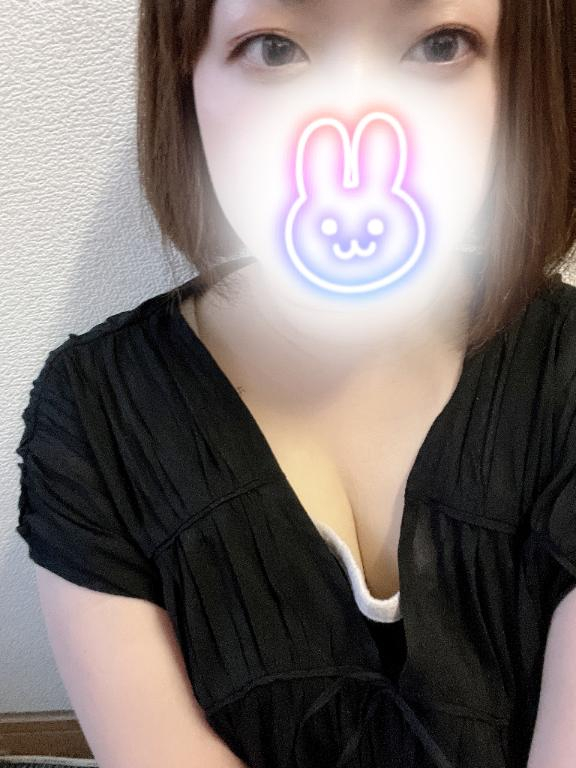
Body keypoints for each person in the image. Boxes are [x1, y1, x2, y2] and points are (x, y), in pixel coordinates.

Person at [15, 1, 575, 767]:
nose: (351, 119)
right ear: (185, 79)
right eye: (274, 48)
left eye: (440, 44)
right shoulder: (94, 416)